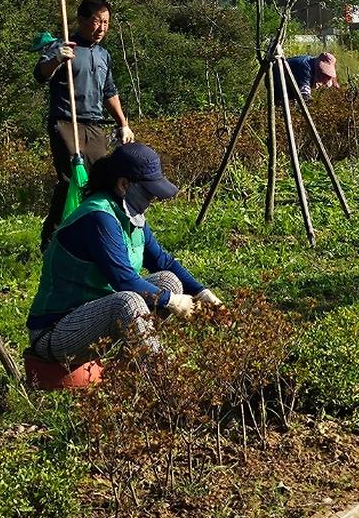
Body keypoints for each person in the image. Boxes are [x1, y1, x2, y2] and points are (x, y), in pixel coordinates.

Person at [27, 143, 222, 369]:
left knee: (169, 280)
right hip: (57, 330)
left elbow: (163, 261)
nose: (153, 200)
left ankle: (128, 373)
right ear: (123, 184)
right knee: (128, 301)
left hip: (97, 313)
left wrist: (202, 292)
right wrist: (173, 301)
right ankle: (160, 379)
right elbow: (125, 282)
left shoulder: (129, 215)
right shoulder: (99, 218)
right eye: (149, 193)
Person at [35, 0, 134, 249]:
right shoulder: (62, 46)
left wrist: (123, 122)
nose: (101, 28)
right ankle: (52, 238)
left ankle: (94, 233)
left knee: (100, 180)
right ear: (80, 20)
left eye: (106, 23)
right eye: (96, 21)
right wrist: (58, 58)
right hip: (66, 122)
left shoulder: (103, 55)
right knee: (70, 180)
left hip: (94, 124)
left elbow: (109, 91)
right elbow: (40, 74)